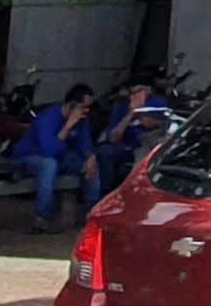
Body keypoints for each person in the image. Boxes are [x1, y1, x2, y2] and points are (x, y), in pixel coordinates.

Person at [16, 84, 98, 230]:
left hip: (62, 156)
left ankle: (91, 212)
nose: (87, 111)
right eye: (84, 107)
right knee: (49, 164)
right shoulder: (48, 118)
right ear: (73, 105)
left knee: (91, 165)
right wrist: (67, 127)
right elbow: (48, 151)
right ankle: (42, 216)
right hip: (31, 157)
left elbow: (85, 143)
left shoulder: (83, 120)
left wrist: (90, 156)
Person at [90, 82, 164, 192]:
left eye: (139, 91)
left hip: (149, 147)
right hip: (128, 147)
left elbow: (164, 126)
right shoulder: (121, 106)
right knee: (104, 151)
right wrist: (131, 113)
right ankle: (108, 193)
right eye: (132, 93)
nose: (135, 96)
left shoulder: (158, 103)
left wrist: (146, 118)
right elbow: (112, 138)